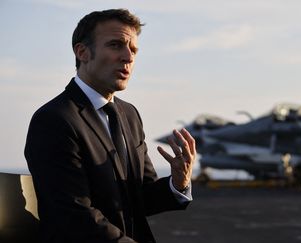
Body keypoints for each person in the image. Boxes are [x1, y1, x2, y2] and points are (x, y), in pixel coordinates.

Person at [24, 9, 196, 243]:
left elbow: (141, 198)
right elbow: (72, 215)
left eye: (133, 49)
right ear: (82, 52)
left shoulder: (129, 114)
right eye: (116, 45)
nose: (128, 57)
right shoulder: (53, 119)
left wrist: (178, 182)